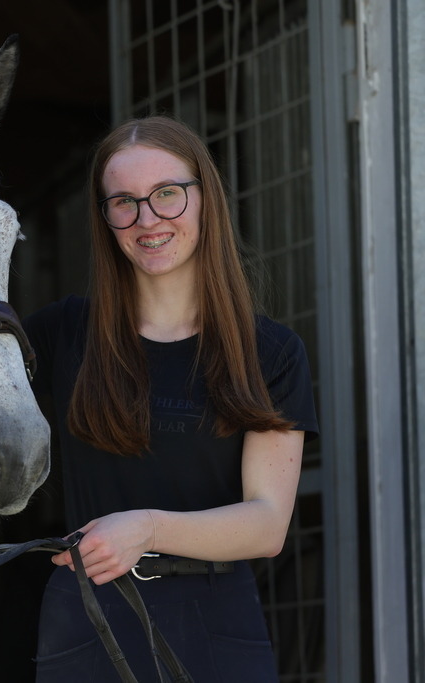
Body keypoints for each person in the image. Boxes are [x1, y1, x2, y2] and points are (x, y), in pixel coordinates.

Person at [24, 114, 319, 682]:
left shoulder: (270, 352)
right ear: (106, 218)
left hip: (213, 616)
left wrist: (148, 528)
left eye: (167, 194)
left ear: (205, 197)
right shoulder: (61, 332)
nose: (147, 219)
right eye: (124, 202)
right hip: (87, 615)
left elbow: (266, 524)